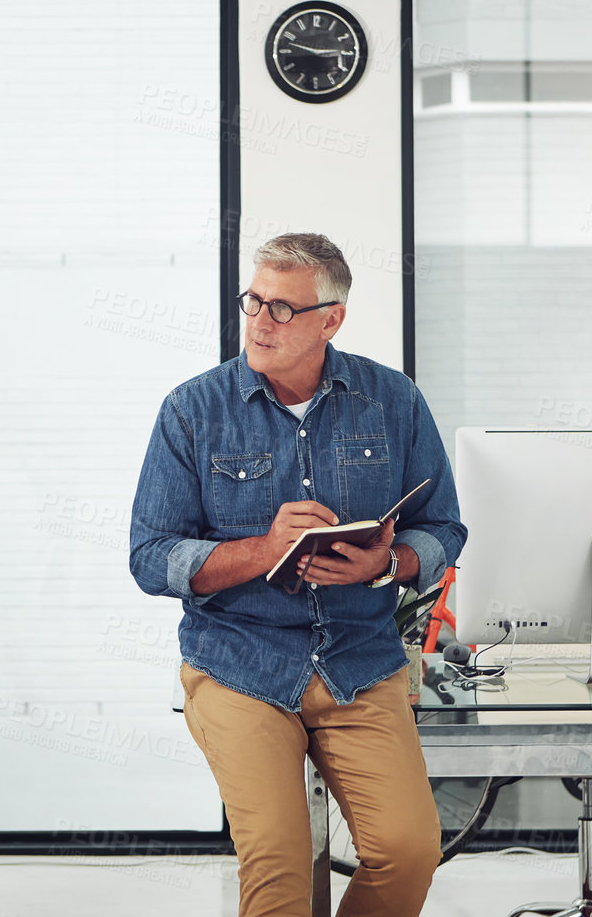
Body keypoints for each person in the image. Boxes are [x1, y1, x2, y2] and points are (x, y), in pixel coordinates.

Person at [129, 232, 466, 917]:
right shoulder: (191, 411)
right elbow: (150, 556)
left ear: (330, 320)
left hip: (359, 662)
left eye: (281, 308)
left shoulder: (392, 402)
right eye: (252, 301)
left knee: (409, 850)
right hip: (239, 665)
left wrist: (390, 564)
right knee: (279, 868)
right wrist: (264, 547)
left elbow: (443, 527)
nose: (257, 321)